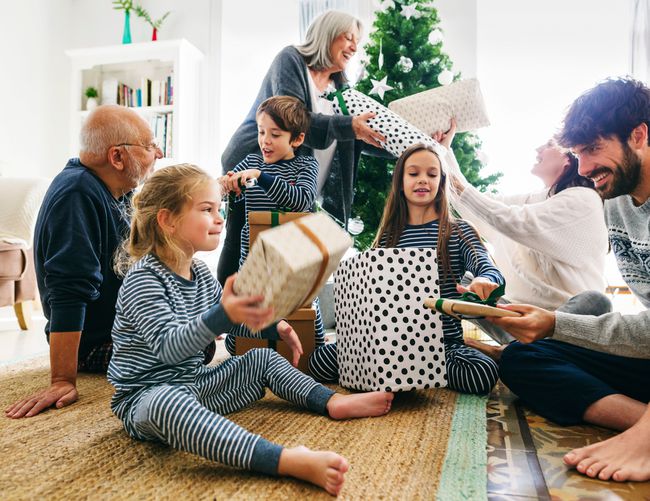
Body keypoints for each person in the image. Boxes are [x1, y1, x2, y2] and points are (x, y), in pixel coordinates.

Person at [107, 164, 394, 495]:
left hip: (195, 385)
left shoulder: (199, 273)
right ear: (167, 220)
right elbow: (171, 348)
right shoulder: (144, 279)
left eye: (220, 209)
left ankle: (329, 402)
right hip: (146, 397)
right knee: (168, 402)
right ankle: (283, 459)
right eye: (207, 210)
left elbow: (238, 319)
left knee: (262, 359)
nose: (220, 218)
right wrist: (224, 314)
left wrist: (276, 326)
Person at [485, 77, 650, 482]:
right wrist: (553, 324)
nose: (584, 168)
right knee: (524, 359)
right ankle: (642, 420)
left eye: (593, 148)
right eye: (577, 154)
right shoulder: (615, 205)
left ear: (640, 135)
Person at [5, 105, 163, 419]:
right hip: (93, 342)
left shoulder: (112, 190)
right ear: (117, 157)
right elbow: (69, 288)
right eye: (149, 146)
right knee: (192, 349)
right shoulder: (77, 194)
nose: (158, 153)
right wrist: (61, 380)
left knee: (195, 336)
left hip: (120, 326)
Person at [309, 143, 505, 395]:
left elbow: (488, 268)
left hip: (443, 345)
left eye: (432, 174)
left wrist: (485, 280)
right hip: (385, 344)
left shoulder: (458, 231)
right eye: (413, 174)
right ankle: (408, 372)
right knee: (319, 363)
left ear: (441, 181)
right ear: (400, 181)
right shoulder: (388, 237)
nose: (423, 180)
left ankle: (419, 370)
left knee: (480, 374)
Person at [217, 10, 387, 285]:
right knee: (241, 241)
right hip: (255, 163)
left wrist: (416, 143)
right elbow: (293, 120)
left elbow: (359, 134)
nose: (355, 47)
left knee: (287, 260)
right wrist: (349, 126)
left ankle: (280, 320)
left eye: (358, 41)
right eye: (348, 38)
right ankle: (227, 315)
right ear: (327, 35)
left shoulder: (342, 89)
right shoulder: (292, 60)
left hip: (298, 180)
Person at [435, 122, 610, 353]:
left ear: (568, 159)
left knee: (596, 301)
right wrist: (444, 151)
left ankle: (515, 352)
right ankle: (518, 350)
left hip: (565, 325)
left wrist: (452, 176)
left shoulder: (584, 200)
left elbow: (511, 220)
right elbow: (478, 208)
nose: (538, 149)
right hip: (516, 321)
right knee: (456, 280)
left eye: (547, 145)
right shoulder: (534, 199)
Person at [219, 95, 326, 356]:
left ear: (297, 139)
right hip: (253, 261)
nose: (265, 140)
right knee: (236, 344)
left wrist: (261, 177)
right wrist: (224, 184)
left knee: (311, 330)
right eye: (261, 132)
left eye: (275, 134)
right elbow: (227, 186)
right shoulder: (251, 162)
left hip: (294, 262)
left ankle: (308, 348)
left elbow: (301, 200)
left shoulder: (306, 165)